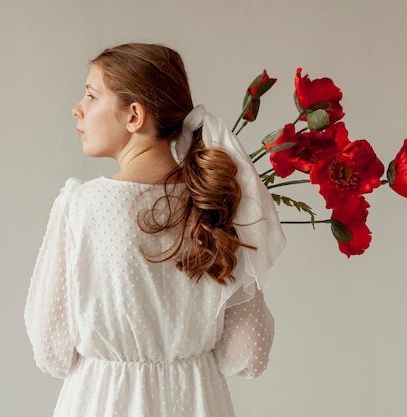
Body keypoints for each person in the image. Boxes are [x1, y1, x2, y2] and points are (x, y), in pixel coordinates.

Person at [24, 42, 286, 417]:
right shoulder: (217, 205)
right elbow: (247, 354)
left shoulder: (81, 207)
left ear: (134, 116)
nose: (77, 109)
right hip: (197, 402)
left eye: (91, 96)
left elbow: (51, 349)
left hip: (102, 402)